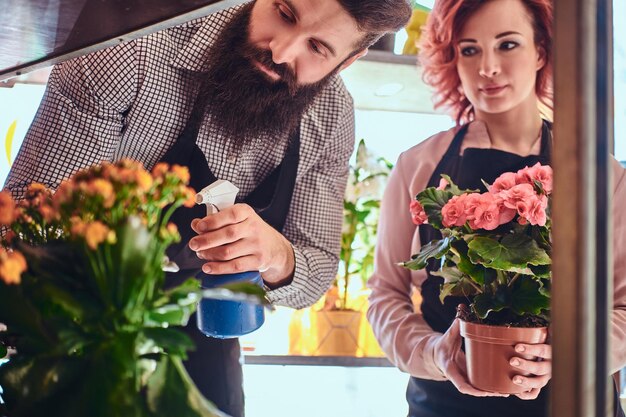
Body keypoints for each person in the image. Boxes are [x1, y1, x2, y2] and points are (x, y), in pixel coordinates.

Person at [3, 0, 412, 415]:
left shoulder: (332, 113)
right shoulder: (133, 47)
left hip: (208, 342)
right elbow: (27, 216)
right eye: (284, 14)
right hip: (83, 329)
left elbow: (318, 268)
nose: (282, 51)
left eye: (318, 48)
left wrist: (276, 255)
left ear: (349, 61)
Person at [366, 0, 626, 416]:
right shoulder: (418, 164)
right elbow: (385, 295)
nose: (487, 67)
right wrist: (434, 353)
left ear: (541, 51)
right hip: (444, 402)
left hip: (568, 402)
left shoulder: (601, 174)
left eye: (507, 45)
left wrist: (572, 354)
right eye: (469, 49)